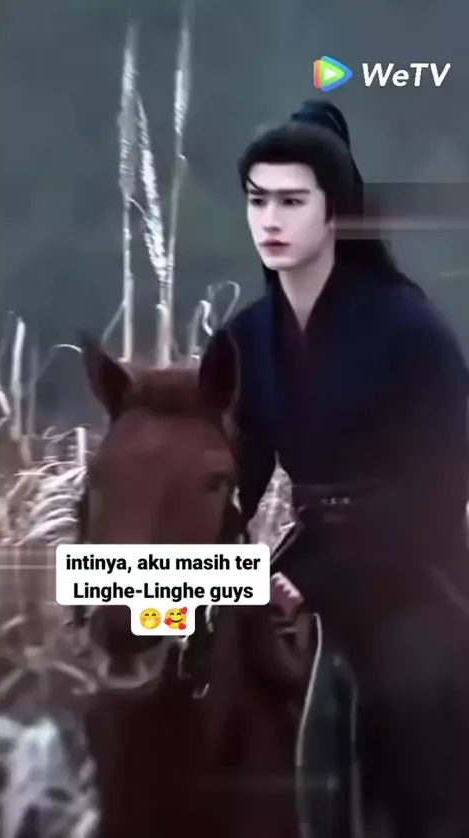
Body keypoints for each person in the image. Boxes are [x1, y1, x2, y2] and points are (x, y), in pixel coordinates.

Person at [215, 99, 469, 838]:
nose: (270, 220)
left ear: (336, 213)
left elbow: (439, 484)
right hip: (303, 556)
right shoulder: (245, 339)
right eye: (258, 200)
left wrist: (314, 582)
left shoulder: (409, 328)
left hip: (412, 564)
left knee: (409, 692)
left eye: (292, 202)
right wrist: (208, 567)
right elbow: (229, 480)